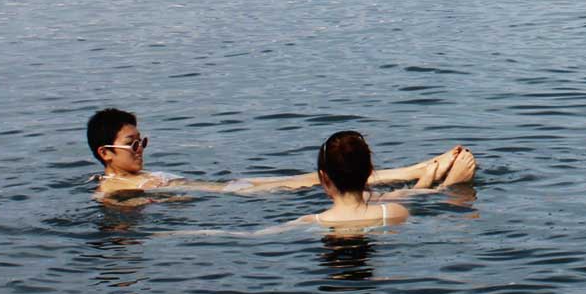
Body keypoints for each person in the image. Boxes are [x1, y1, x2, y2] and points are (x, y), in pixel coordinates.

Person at [86, 107, 472, 199]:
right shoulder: (113, 192)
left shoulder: (127, 180)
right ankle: (424, 177)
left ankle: (419, 168)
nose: (140, 149)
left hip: (231, 186)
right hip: (230, 195)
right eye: (133, 143)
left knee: (319, 177)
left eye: (142, 141)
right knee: (319, 180)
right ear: (106, 152)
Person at [291, 130, 475, 228]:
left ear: (323, 178)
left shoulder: (308, 222)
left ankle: (427, 180)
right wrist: (450, 189)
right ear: (370, 171)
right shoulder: (394, 212)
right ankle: (444, 185)